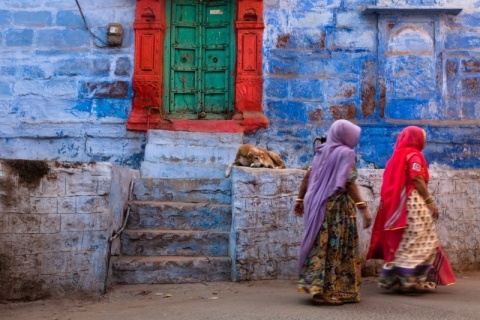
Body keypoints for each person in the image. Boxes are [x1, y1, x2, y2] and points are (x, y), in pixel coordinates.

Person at [366, 126, 455, 292]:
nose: (425, 140)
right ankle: (409, 277)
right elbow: (417, 179)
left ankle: (399, 277)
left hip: (398, 204)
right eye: (423, 137)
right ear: (416, 139)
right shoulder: (414, 155)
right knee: (424, 239)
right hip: (412, 201)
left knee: (408, 239)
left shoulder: (396, 156)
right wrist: (429, 201)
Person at [294, 119, 373, 306]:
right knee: (336, 247)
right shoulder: (346, 154)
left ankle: (320, 288)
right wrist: (364, 208)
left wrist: (299, 199)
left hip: (317, 205)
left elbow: (308, 176)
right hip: (337, 208)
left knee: (321, 246)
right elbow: (349, 183)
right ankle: (329, 292)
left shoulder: (322, 151)